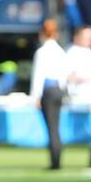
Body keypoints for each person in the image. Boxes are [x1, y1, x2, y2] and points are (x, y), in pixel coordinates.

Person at [30, 18, 68, 171]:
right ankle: (57, 158)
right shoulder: (61, 51)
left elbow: (38, 75)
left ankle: (55, 161)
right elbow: (64, 75)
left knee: (51, 128)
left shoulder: (42, 52)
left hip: (48, 90)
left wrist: (35, 96)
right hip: (58, 90)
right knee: (56, 127)